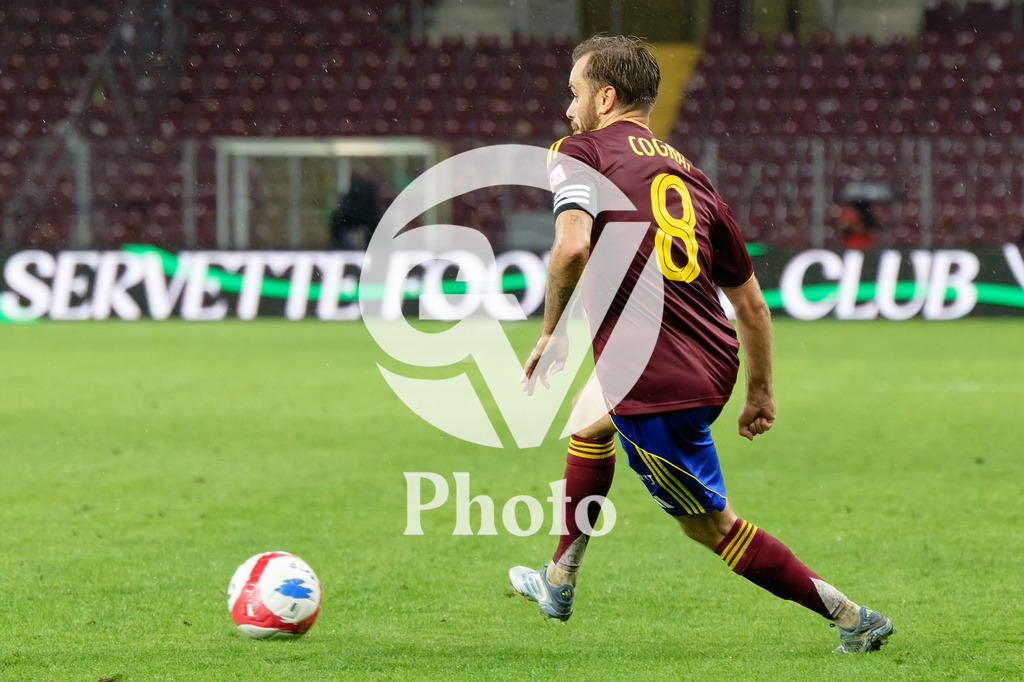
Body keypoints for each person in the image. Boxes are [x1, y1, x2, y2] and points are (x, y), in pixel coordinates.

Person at [508, 35, 894, 655]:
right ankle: (559, 577)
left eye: (575, 93)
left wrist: (549, 331)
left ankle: (853, 616)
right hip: (707, 359)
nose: (568, 108)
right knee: (589, 419)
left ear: (606, 97)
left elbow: (572, 245)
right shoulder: (691, 174)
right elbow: (750, 304)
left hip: (657, 381)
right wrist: (759, 392)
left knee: (714, 527)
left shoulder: (578, 152)